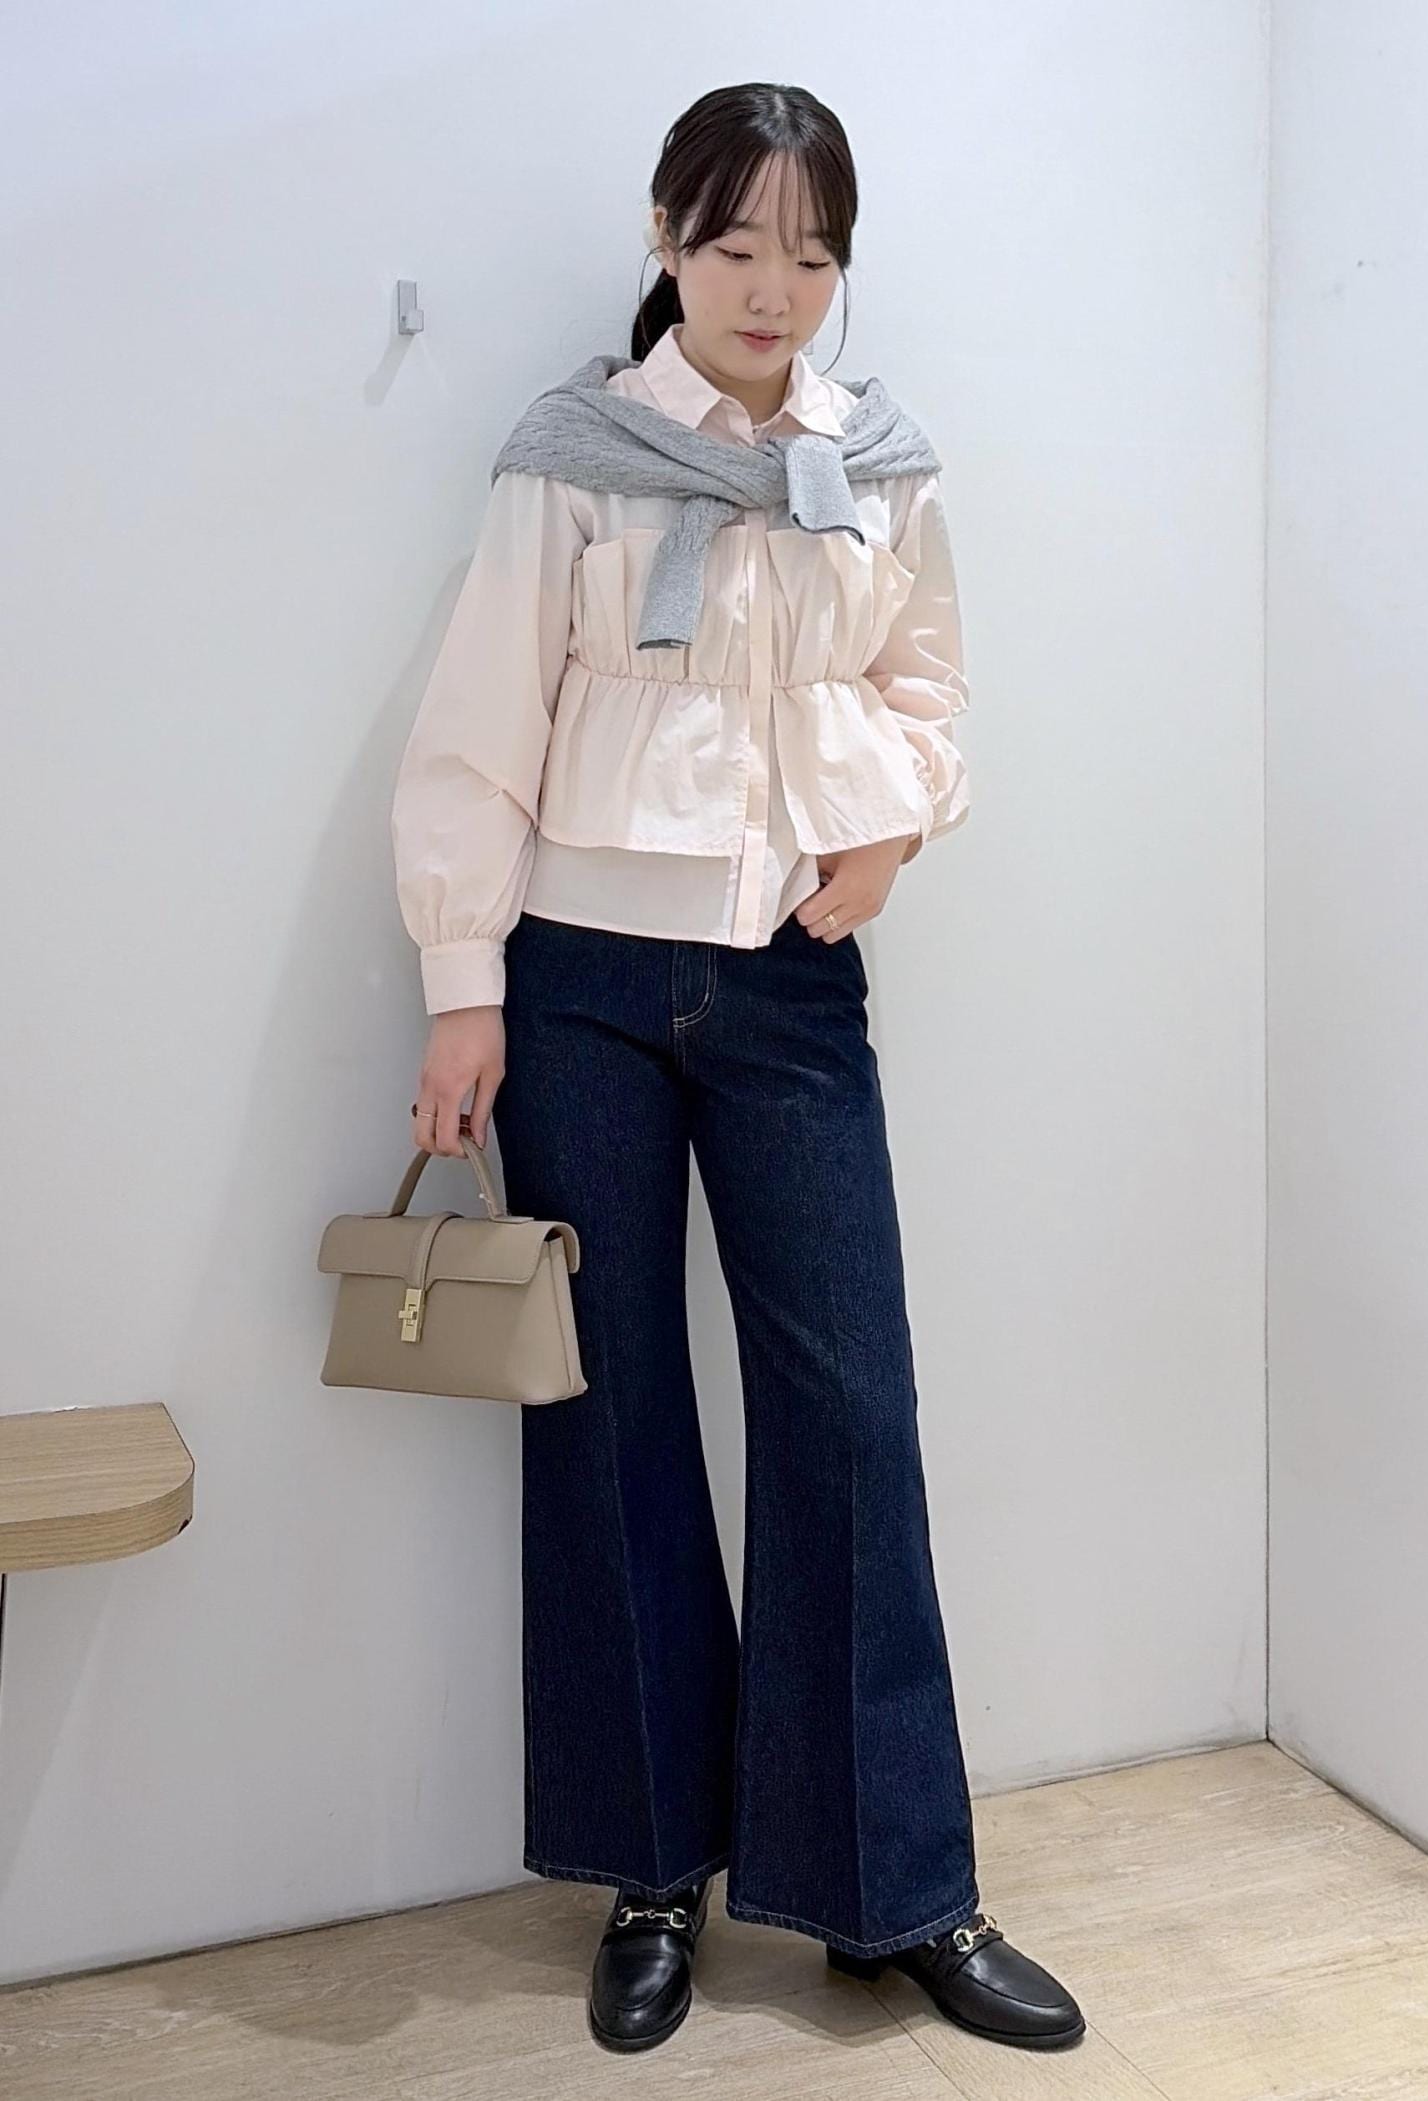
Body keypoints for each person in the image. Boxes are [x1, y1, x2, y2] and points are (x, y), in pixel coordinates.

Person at [391, 81, 1085, 2058]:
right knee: (609, 1416)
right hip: (579, 982)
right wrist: (461, 981)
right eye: (733, 242)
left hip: (789, 978)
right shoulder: (573, 456)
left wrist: (895, 830)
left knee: (849, 1411)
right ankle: (649, 1873)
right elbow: (480, 724)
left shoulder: (882, 462)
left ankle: (895, 1890)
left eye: (809, 250)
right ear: (667, 240)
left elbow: (927, 685)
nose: (772, 286)